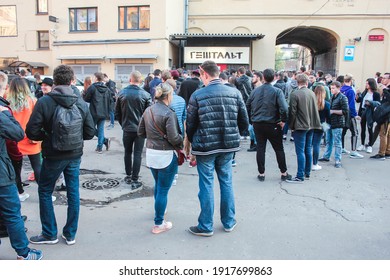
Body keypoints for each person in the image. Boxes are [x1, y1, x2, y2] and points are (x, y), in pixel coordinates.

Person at [26, 64, 95, 245]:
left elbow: (31, 131)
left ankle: (49, 233)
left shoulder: (45, 101)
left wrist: (48, 136)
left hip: (53, 154)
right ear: (72, 81)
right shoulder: (80, 101)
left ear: (54, 81)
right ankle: (70, 234)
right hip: (74, 154)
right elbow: (90, 132)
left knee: (45, 190)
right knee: (73, 192)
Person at [186, 60, 249, 237]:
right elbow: (244, 120)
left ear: (204, 73)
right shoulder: (234, 92)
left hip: (206, 147)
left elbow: (191, 124)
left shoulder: (198, 95)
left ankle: (206, 226)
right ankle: (229, 221)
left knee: (206, 184)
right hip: (228, 145)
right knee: (226, 182)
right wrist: (236, 134)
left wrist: (192, 142)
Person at [0, 83, 43, 259]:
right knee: (12, 213)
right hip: (6, 166)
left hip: (13, 151)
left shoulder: (11, 102)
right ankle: (24, 253)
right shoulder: (7, 109)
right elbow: (17, 132)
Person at [138, 82, 183, 234]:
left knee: (158, 185)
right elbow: (174, 138)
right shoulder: (169, 113)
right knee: (163, 189)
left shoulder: (148, 110)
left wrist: (153, 138)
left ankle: (160, 212)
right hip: (166, 154)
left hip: (151, 153)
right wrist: (181, 142)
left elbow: (140, 132)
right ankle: (159, 223)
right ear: (168, 95)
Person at [246, 68, 291, 182]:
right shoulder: (277, 91)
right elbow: (284, 108)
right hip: (273, 123)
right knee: (278, 148)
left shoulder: (255, 91)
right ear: (274, 78)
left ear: (263, 78)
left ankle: (261, 173)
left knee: (261, 148)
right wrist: (283, 120)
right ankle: (283, 172)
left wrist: (252, 119)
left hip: (258, 123)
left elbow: (247, 106)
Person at [115, 71, 152, 189]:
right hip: (140, 129)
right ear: (140, 80)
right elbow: (149, 114)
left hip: (127, 128)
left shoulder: (122, 93)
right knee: (137, 153)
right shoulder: (145, 95)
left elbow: (117, 113)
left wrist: (123, 124)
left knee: (127, 152)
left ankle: (128, 175)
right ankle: (135, 178)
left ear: (130, 80)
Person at [6, 77, 42, 193]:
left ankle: (20, 192)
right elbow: (37, 120)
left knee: (16, 168)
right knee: (37, 166)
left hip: (13, 138)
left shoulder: (7, 101)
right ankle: (44, 193)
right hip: (31, 137)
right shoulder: (33, 101)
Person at [286, 74, 321, 183]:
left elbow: (292, 112)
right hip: (311, 125)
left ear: (297, 83)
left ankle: (300, 175)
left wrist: (291, 126)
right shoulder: (312, 93)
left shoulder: (295, 94)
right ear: (306, 83)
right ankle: (307, 172)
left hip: (300, 126)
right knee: (307, 149)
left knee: (300, 151)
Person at [319, 81, 349, 168]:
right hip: (330, 122)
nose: (331, 90)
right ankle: (326, 156)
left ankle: (338, 159)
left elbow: (345, 111)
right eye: (331, 88)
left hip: (338, 123)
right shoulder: (332, 97)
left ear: (338, 88)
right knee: (328, 140)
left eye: (333, 88)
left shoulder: (342, 98)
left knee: (337, 142)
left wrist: (333, 111)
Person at [83, 72, 112, 153]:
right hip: (104, 113)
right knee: (100, 129)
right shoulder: (107, 89)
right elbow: (110, 101)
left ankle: (104, 141)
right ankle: (100, 146)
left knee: (91, 129)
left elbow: (86, 99)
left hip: (94, 112)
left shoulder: (92, 87)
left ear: (96, 78)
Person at [340, 74, 364, 159]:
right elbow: (352, 104)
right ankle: (353, 151)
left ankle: (342, 148)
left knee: (343, 132)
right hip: (349, 114)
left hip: (342, 114)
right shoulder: (350, 90)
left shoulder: (341, 89)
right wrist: (355, 115)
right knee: (355, 132)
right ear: (351, 81)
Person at [356, 78, 381, 154]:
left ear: (371, 84)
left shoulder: (376, 94)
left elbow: (378, 103)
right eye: (366, 83)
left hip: (371, 112)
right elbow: (359, 101)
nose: (366, 85)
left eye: (367, 83)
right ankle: (362, 144)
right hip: (363, 111)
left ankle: (370, 145)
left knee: (370, 128)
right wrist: (357, 95)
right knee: (362, 128)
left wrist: (370, 103)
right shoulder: (365, 92)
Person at [370, 73, 390, 160]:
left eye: (385, 78)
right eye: (382, 78)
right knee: (387, 134)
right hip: (385, 114)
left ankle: (381, 153)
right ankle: (387, 151)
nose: (382, 80)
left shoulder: (387, 89)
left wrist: (385, 90)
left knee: (383, 134)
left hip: (386, 115)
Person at [312, 85, 330, 171]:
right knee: (316, 145)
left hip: (310, 125)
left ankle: (307, 162)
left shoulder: (311, 102)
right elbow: (328, 118)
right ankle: (314, 163)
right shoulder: (326, 104)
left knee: (308, 145)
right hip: (320, 126)